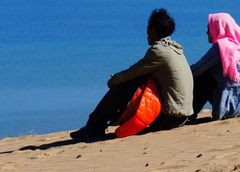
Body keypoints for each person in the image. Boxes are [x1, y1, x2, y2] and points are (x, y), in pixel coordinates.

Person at [70, 9, 194, 141]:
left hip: (168, 119)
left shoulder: (159, 51)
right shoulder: (175, 49)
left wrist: (114, 80)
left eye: (148, 29)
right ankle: (97, 125)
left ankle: (94, 127)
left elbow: (133, 72)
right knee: (132, 80)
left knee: (125, 84)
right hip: (182, 116)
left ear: (152, 31)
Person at [190, 13, 240, 120]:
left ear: (218, 28)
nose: (207, 32)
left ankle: (189, 114)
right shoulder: (239, 47)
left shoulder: (221, 47)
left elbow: (197, 69)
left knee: (202, 77)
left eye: (210, 29)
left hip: (234, 109)